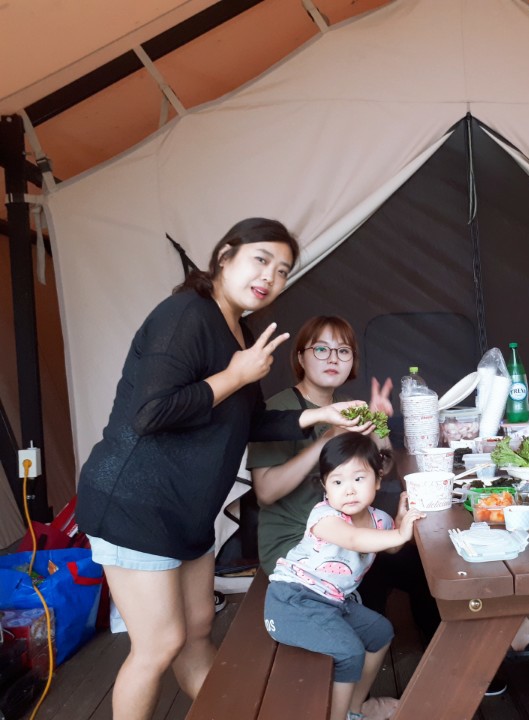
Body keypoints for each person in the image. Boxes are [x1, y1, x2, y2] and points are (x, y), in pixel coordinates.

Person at [76, 218, 366, 720]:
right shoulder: (185, 315)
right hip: (136, 504)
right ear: (225, 256)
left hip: (187, 511)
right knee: (158, 645)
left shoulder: (240, 332)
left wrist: (318, 416)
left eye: (283, 270)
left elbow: (247, 420)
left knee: (196, 632)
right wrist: (234, 375)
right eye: (261, 260)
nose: (270, 276)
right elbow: (150, 413)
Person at [247, 315, 441, 641]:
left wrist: (377, 427)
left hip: (350, 529)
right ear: (300, 358)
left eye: (343, 351)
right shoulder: (279, 410)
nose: (333, 358)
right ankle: (362, 645)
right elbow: (265, 491)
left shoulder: (347, 406)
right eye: (321, 349)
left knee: (422, 562)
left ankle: (439, 652)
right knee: (383, 567)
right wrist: (326, 439)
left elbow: (382, 471)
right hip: (297, 547)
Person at [264, 433, 424, 720]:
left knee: (380, 633)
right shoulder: (324, 517)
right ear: (325, 487)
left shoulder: (379, 519)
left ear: (378, 480)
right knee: (350, 652)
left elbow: (391, 546)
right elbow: (353, 539)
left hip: (333, 602)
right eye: (337, 482)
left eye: (358, 479)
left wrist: (400, 521)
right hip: (291, 602)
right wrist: (400, 533)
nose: (349, 490)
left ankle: (354, 709)